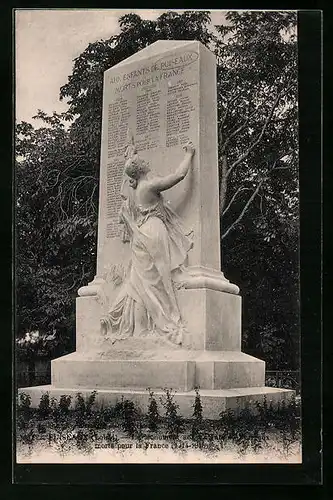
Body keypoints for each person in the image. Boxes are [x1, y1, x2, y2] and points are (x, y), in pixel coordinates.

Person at [101, 141, 195, 345]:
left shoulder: (133, 191)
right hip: (153, 230)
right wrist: (188, 154)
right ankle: (168, 318)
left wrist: (130, 155)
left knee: (140, 285)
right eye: (142, 161)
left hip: (140, 235)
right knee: (158, 281)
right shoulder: (149, 185)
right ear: (142, 169)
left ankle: (141, 330)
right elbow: (178, 176)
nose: (145, 160)